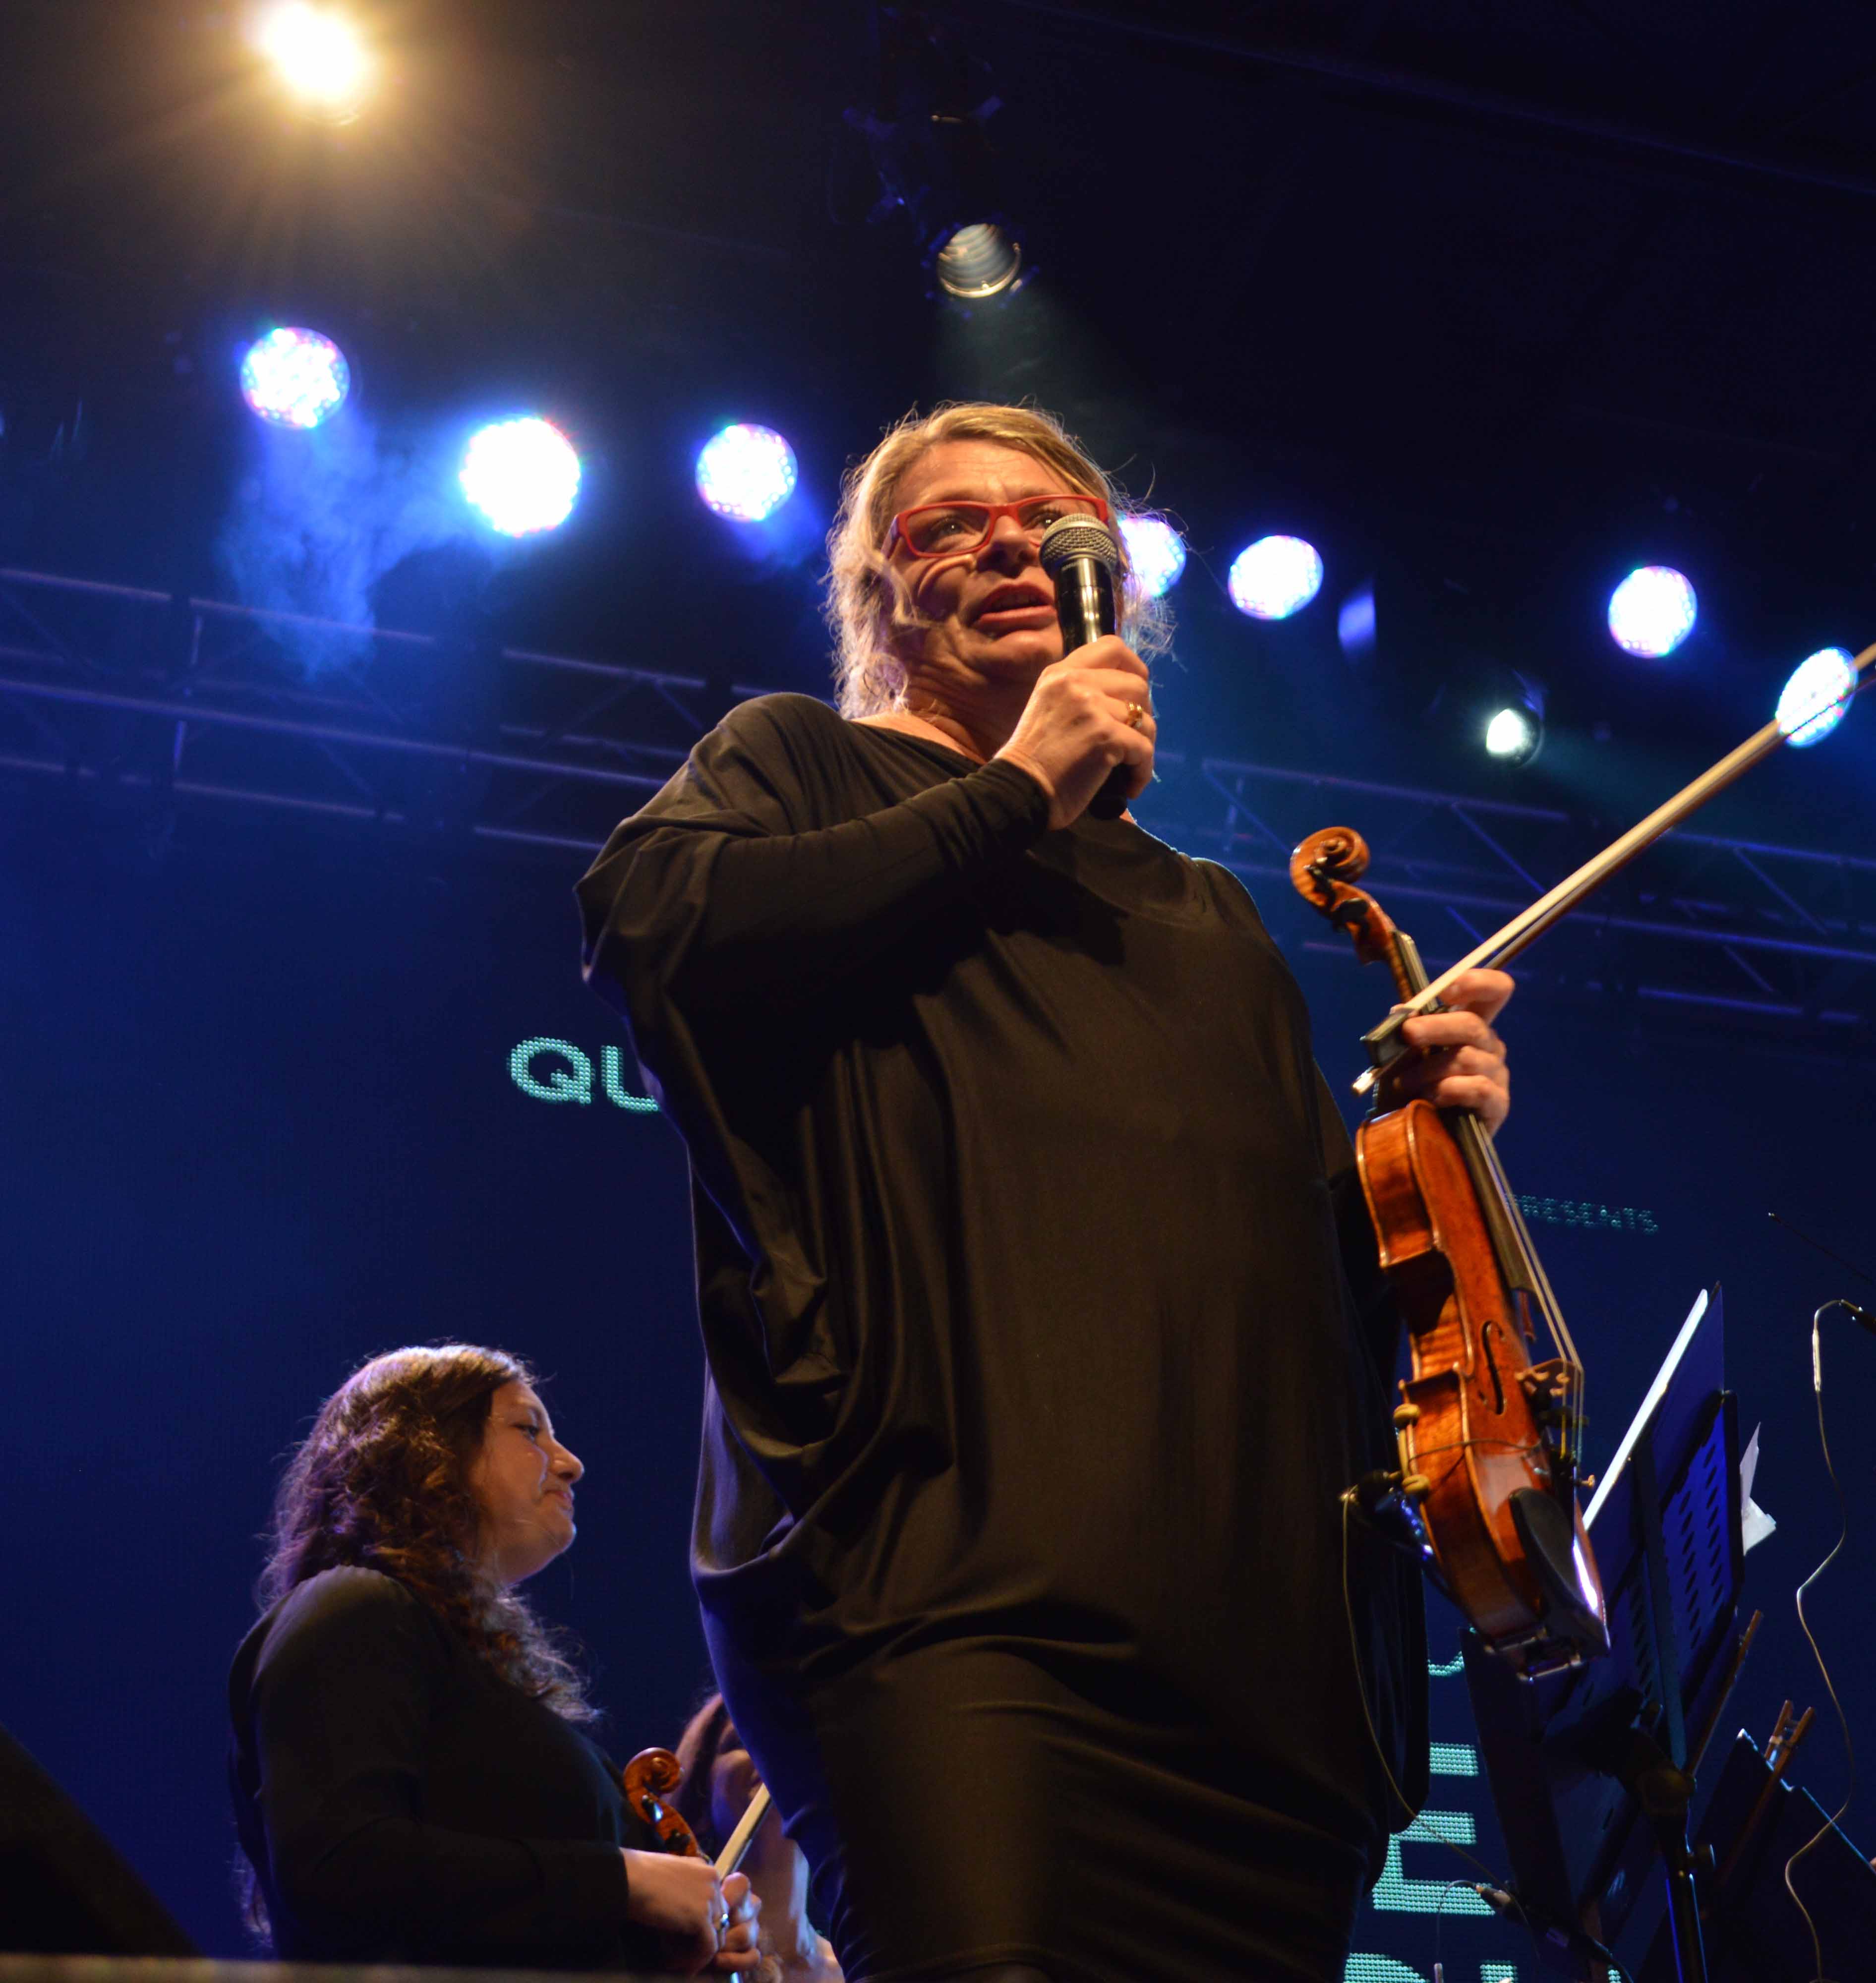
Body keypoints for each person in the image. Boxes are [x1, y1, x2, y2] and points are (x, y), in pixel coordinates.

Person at [576, 401, 1518, 1981]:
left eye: (1053, 516)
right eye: (953, 524)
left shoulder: (1212, 924)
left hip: (1262, 1685)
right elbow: (659, 927)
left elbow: (1312, 1292)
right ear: (878, 595)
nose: (1015, 540)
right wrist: (1021, 784)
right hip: (954, 1612)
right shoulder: (801, 764)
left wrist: (1430, 1140)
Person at [229, 1343, 762, 1973]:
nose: (571, 1464)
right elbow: (338, 1866)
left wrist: (685, 1927)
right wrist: (626, 1881)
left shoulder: (477, 1681)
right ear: (428, 1448)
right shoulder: (352, 1606)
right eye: (528, 1429)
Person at [671, 1695, 842, 1983]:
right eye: (741, 1742)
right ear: (701, 1802)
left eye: (785, 1740)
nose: (772, 1754)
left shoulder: (861, 1970)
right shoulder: (679, 1964)